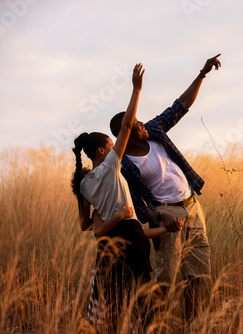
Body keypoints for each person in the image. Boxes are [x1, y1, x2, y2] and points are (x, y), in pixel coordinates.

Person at [107, 54, 221, 321]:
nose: (143, 124)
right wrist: (160, 217)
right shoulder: (125, 165)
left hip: (192, 206)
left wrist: (202, 74)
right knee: (166, 278)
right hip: (168, 216)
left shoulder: (155, 129)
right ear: (127, 131)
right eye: (137, 124)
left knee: (196, 273)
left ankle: (189, 325)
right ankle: (153, 325)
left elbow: (180, 105)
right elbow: (137, 203)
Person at [70, 64, 181, 329]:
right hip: (130, 234)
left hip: (107, 244)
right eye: (109, 146)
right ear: (101, 151)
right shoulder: (109, 166)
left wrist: (101, 214)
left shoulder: (83, 186)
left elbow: (86, 226)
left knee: (115, 302)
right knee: (143, 296)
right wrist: (136, 89)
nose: (114, 148)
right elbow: (127, 127)